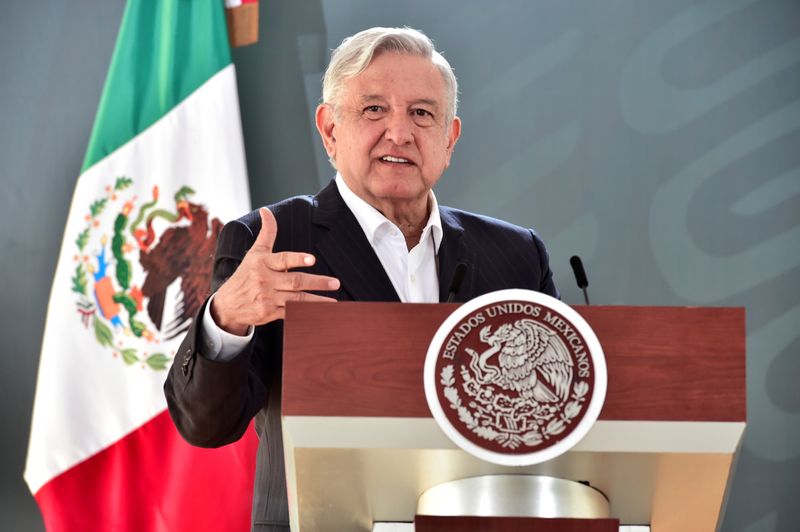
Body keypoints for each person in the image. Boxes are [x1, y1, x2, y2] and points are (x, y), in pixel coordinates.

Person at [165, 27, 558, 532]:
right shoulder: (273, 242)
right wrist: (228, 318)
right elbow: (207, 425)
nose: (399, 132)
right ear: (330, 129)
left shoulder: (515, 255)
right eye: (374, 110)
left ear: (449, 138)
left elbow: (557, 422)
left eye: (422, 113)